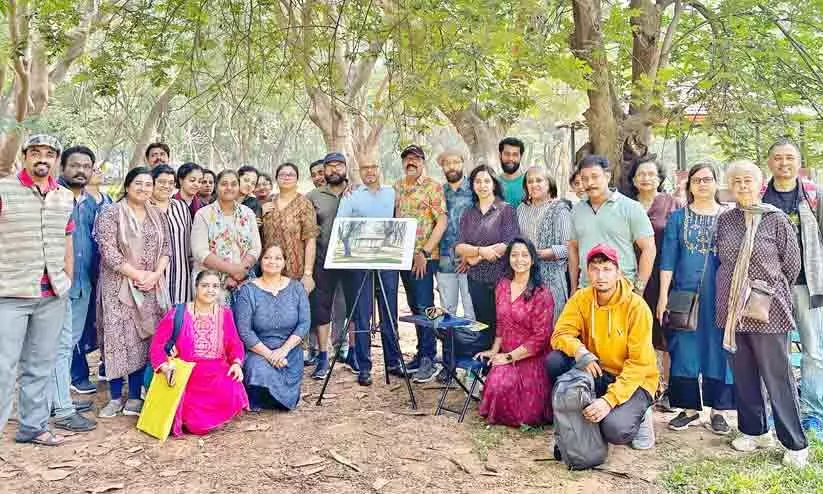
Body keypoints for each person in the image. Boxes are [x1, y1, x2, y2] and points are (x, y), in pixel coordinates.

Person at [716, 160, 808, 467]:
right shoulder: (726, 221)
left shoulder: (776, 219)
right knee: (743, 375)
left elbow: (792, 266)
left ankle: (795, 443)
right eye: (737, 181)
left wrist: (765, 288)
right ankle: (754, 431)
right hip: (732, 310)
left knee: (777, 376)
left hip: (770, 310)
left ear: (760, 185)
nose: (742, 186)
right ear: (731, 186)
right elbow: (722, 260)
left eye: (748, 181)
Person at [0, 135, 74, 446]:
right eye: (35, 153)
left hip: (51, 295)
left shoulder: (64, 197)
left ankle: (32, 426)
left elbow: (67, 239)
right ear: (25, 156)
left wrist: (66, 277)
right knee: (3, 366)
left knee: (41, 363)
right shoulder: (5, 189)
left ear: (55, 159)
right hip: (11, 293)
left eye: (48, 154)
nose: (42, 159)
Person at [547, 244, 658, 451]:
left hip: (635, 378)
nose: (600, 276)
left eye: (607, 269)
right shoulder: (581, 298)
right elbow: (560, 334)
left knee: (616, 430)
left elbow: (639, 364)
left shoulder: (636, 307)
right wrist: (581, 351)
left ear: (618, 272)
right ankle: (582, 417)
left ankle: (640, 414)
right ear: (587, 272)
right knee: (555, 360)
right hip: (598, 370)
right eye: (595, 269)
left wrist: (609, 401)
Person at [657, 163, 734, 434]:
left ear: (716, 183)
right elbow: (667, 259)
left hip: (721, 295)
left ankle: (719, 411)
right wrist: (663, 297)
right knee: (684, 349)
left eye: (708, 179)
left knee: (718, 350)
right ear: (689, 185)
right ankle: (688, 409)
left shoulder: (729, 216)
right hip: (683, 293)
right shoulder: (678, 218)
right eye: (697, 180)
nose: (702, 184)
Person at [95, 167, 170, 418]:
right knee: (118, 339)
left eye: (148, 184)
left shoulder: (158, 215)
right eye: (138, 183)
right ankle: (115, 397)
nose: (143, 188)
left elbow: (167, 249)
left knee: (143, 338)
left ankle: (135, 396)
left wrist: (155, 275)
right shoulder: (111, 213)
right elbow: (108, 250)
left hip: (150, 286)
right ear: (127, 186)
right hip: (118, 287)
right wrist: (138, 275)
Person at [762, 138, 823, 434]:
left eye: (789, 158)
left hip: (807, 285)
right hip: (770, 287)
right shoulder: (761, 196)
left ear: (799, 163)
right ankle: (780, 410)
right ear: (769, 162)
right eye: (777, 158)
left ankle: (813, 413)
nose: (783, 163)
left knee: (813, 350)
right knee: (776, 351)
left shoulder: (813, 195)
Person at [150, 270, 248, 436]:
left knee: (233, 386)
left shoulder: (225, 313)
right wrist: (165, 368)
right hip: (187, 374)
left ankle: (214, 418)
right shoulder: (178, 313)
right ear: (196, 287)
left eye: (215, 286)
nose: (210, 290)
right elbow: (157, 344)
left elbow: (234, 343)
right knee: (194, 421)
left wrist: (237, 364)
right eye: (205, 285)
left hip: (215, 372)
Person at [47, 146, 103, 433]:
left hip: (82, 286)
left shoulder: (92, 204)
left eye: (86, 166)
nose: (80, 170)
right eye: (75, 165)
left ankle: (58, 398)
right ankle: (59, 408)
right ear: (62, 167)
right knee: (54, 346)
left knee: (67, 345)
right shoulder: (51, 197)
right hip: (54, 286)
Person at [337, 161, 403, 386]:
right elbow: (341, 224)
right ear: (359, 173)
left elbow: (400, 219)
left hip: (387, 260)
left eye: (374, 167)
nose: (370, 172)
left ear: (380, 169)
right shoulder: (352, 195)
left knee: (389, 311)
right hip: (360, 259)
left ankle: (393, 362)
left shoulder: (392, 193)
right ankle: (364, 367)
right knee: (362, 313)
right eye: (364, 168)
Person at [477, 238, 554, 426]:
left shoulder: (541, 294)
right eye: (514, 255)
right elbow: (501, 322)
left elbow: (540, 338)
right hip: (506, 352)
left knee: (525, 411)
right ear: (509, 259)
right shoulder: (502, 286)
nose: (519, 260)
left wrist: (509, 357)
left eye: (525, 255)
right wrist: (495, 350)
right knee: (497, 385)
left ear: (533, 260)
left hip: (531, 356)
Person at [626, 156, 682, 404]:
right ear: (634, 180)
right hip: (633, 278)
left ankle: (670, 387)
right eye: (641, 174)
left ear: (660, 178)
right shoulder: (625, 205)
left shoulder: (672, 204)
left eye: (651, 173)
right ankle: (644, 384)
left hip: (665, 277)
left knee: (666, 332)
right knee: (637, 331)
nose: (646, 178)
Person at [394, 144, 448, 383]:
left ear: (423, 162)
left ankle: (429, 357)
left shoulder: (432, 187)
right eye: (407, 159)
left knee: (426, 306)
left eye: (415, 158)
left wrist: (424, 252)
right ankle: (420, 352)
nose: (411, 162)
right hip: (402, 257)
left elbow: (442, 221)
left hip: (423, 258)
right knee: (414, 306)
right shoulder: (397, 187)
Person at [233, 245, 311, 411]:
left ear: (284, 263)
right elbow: (245, 331)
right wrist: (270, 355)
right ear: (261, 262)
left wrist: (282, 351)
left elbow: (304, 323)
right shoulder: (247, 291)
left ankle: (279, 397)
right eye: (267, 257)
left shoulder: (297, 288)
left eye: (278, 258)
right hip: (259, 351)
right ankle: (261, 397)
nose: (272, 262)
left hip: (289, 352)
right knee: (258, 370)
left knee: (285, 397)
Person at [568, 155, 656, 294]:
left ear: (607, 176)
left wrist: (639, 289)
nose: (590, 182)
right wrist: (574, 288)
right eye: (585, 179)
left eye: (595, 176)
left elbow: (649, 248)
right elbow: (573, 249)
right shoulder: (576, 210)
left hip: (622, 290)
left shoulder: (631, 207)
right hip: (586, 290)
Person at [455, 165, 520, 348]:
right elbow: (459, 246)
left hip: (501, 279)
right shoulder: (468, 213)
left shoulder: (505, 210)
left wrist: (475, 256)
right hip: (476, 280)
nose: (482, 185)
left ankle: (503, 370)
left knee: (503, 326)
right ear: (472, 185)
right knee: (483, 327)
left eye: (486, 181)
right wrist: (481, 252)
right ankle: (486, 367)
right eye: (477, 181)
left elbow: (508, 244)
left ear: (493, 184)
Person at [306, 152, 354, 380]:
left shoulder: (357, 193)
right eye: (330, 166)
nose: (334, 170)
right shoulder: (313, 196)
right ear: (324, 170)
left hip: (353, 262)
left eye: (339, 166)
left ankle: (354, 353)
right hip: (322, 261)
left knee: (353, 308)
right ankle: (323, 357)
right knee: (321, 308)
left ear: (346, 168)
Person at [69, 158, 113, 394]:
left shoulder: (108, 201)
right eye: (92, 169)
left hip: (103, 272)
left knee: (100, 321)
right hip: (80, 272)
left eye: (97, 169)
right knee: (76, 325)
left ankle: (108, 365)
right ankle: (77, 373)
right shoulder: (77, 201)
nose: (97, 172)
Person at [191, 170, 261, 303]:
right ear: (216, 187)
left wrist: (241, 271)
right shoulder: (203, 214)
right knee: (215, 322)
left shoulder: (248, 213)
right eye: (224, 184)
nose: (229, 188)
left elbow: (255, 247)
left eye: (234, 184)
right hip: (211, 284)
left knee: (242, 322)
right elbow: (200, 252)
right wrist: (233, 270)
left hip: (244, 280)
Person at [518, 166, 572, 321]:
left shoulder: (560, 210)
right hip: (525, 279)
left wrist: (540, 253)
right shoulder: (522, 209)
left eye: (539, 180)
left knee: (551, 328)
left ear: (549, 183)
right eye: (530, 181)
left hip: (552, 281)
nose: (534, 184)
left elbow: (568, 248)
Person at [261, 163, 318, 287]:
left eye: (291, 175)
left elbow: (310, 240)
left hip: (295, 272)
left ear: (297, 179)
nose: (286, 177)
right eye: (282, 174)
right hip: (269, 270)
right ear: (276, 179)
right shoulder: (268, 202)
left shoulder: (304, 204)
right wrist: (260, 214)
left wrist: (308, 274)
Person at [436, 149, 475, 321]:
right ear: (442, 166)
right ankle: (448, 348)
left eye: (456, 162)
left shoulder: (474, 190)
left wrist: (472, 254)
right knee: (447, 310)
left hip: (471, 257)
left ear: (462, 164)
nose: (452, 167)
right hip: (444, 256)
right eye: (447, 163)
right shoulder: (438, 192)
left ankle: (473, 348)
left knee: (471, 309)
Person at [150, 165, 194, 305]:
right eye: (162, 182)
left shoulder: (181, 207)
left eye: (170, 183)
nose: (166, 186)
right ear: (152, 182)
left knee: (179, 322)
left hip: (182, 279)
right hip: (153, 279)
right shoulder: (143, 207)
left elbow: (189, 242)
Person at [498, 137, 526, 206]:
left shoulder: (529, 183)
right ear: (500, 155)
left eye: (515, 155)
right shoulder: (492, 183)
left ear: (521, 157)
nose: (510, 158)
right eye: (507, 154)